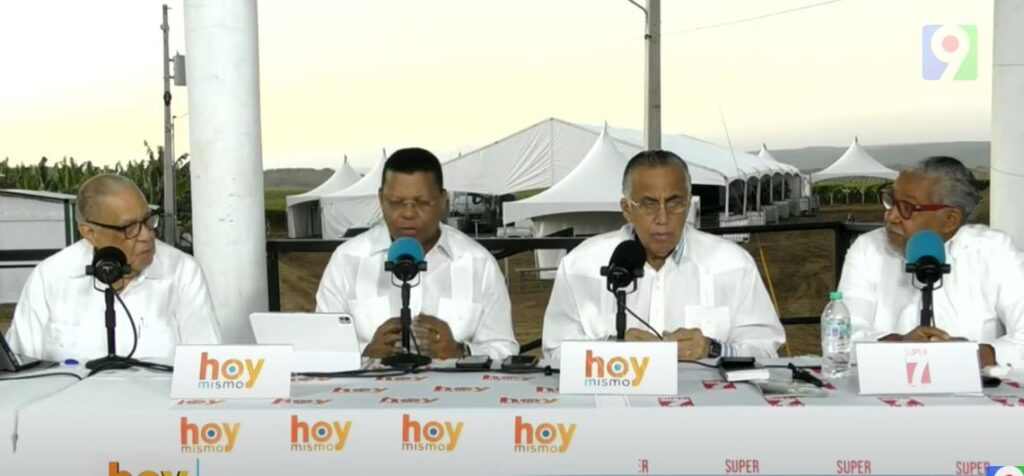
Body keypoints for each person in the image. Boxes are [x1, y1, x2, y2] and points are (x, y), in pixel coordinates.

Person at [542, 150, 785, 363]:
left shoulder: (734, 265)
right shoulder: (579, 266)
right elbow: (554, 352)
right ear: (627, 209)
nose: (663, 218)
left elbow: (766, 351)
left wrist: (713, 349)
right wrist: (612, 348)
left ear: (688, 205)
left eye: (674, 203)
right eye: (649, 204)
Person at [316, 147, 518, 360]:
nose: (408, 213)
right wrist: (365, 354)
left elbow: (504, 348)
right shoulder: (347, 260)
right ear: (381, 199)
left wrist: (461, 353)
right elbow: (321, 346)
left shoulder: (478, 263)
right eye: (396, 202)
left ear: (443, 200)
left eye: (422, 203)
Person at [6, 174, 221, 361]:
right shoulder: (50, 276)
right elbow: (21, 367)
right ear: (89, 232)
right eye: (129, 227)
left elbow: (207, 366)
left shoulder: (183, 271)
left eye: (149, 221)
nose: (147, 235)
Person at [839, 156, 1024, 368]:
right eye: (891, 201)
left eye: (907, 207)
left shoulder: (994, 251)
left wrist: (971, 355)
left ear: (950, 219)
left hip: (976, 386)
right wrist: (899, 345)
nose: (890, 217)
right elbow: (842, 335)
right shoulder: (869, 248)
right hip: (885, 381)